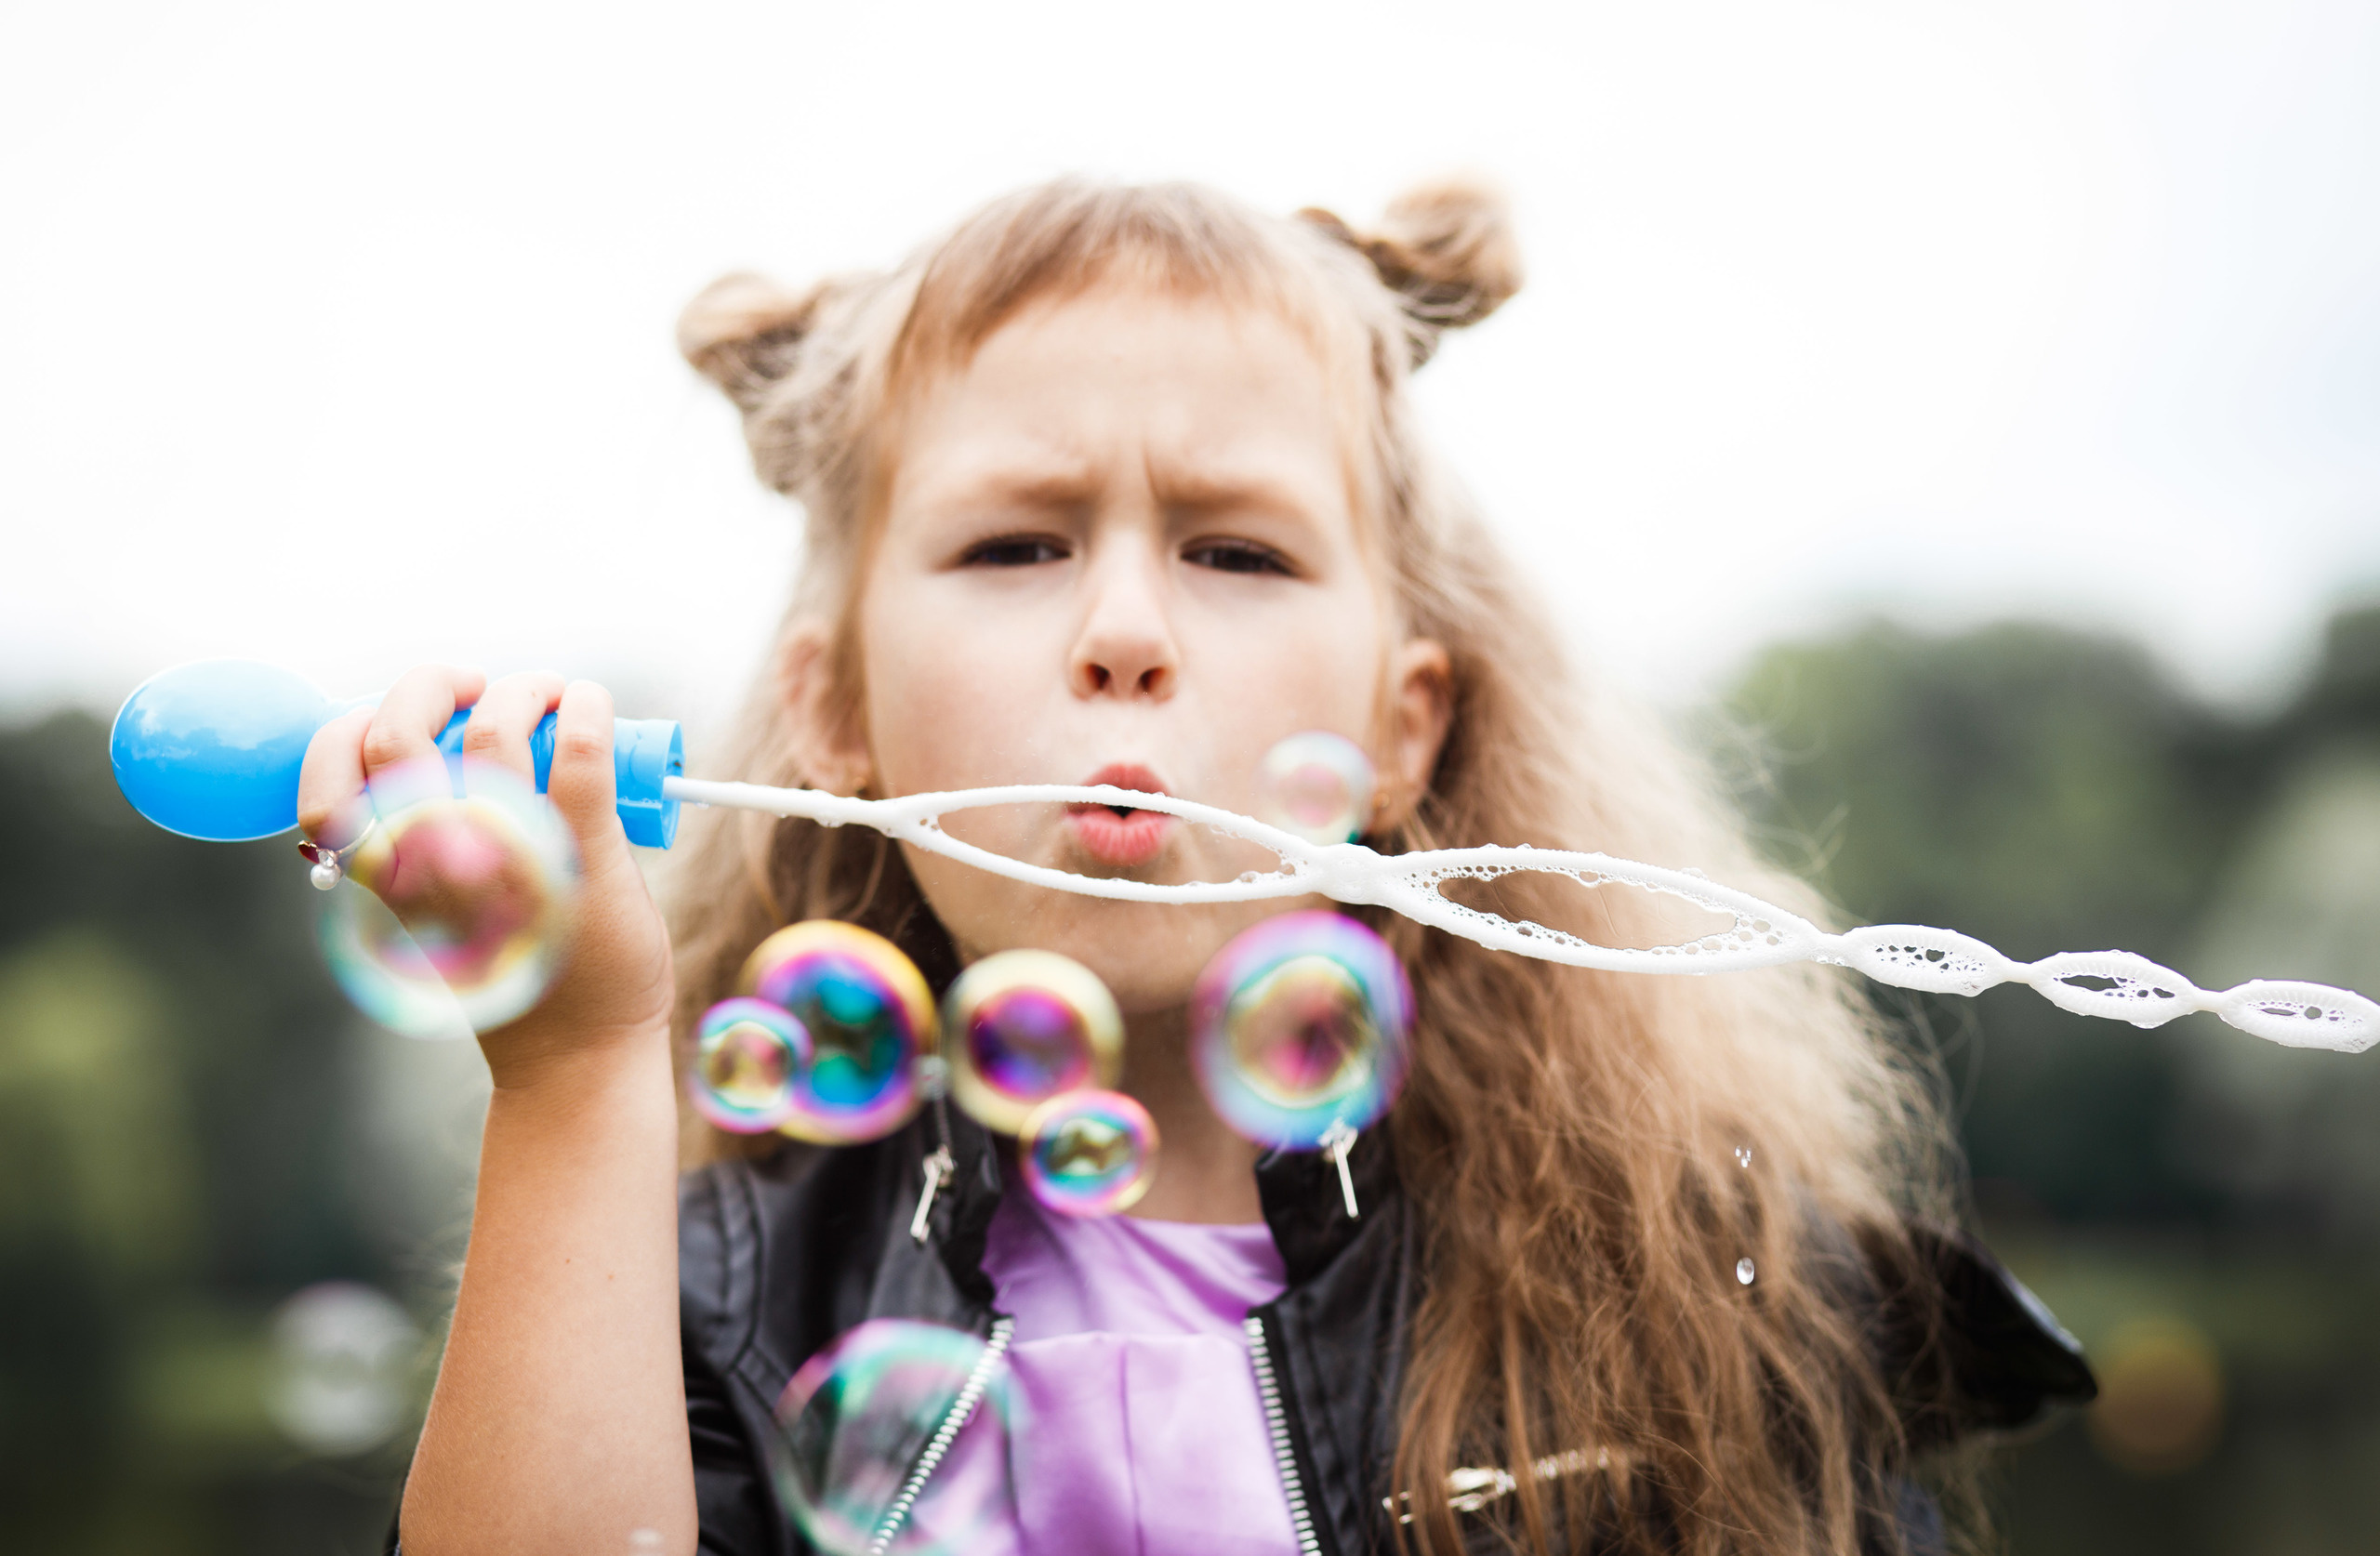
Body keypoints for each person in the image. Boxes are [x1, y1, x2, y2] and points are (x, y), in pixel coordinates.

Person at [308, 177, 2094, 1556]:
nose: (1126, 633)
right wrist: (569, 1078)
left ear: (1405, 729)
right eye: (1016, 542)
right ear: (835, 717)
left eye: (1235, 550)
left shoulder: (1694, 1306)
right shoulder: (713, 1297)